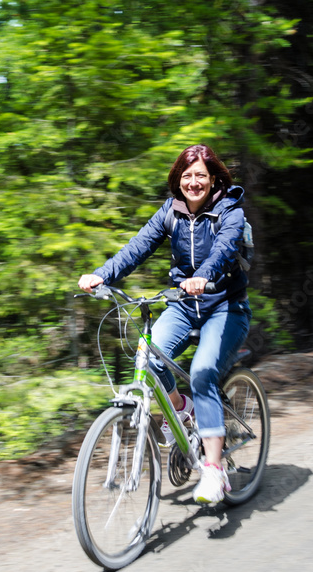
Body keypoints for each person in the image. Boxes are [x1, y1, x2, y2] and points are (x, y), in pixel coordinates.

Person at [77, 144, 252, 506]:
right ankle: (185, 409)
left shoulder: (229, 210)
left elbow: (223, 250)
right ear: (178, 180)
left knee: (203, 371)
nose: (193, 182)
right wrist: (101, 275)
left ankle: (215, 471)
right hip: (185, 304)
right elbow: (136, 248)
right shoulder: (169, 213)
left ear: (214, 178)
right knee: (150, 355)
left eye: (200, 175)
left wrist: (203, 277)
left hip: (226, 306)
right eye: (186, 176)